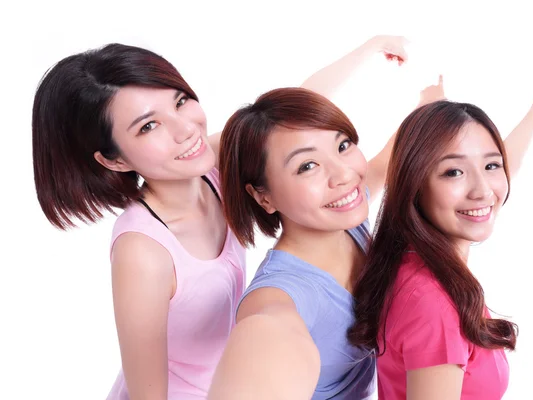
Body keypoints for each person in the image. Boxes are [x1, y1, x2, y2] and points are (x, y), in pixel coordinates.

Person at [31, 36, 409, 400]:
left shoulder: (210, 168)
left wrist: (369, 49)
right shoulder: (142, 250)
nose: (185, 130)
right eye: (149, 126)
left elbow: (286, 121)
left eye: (179, 102)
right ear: (115, 160)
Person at [347, 68, 533, 399]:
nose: (482, 190)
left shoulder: (412, 262)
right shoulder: (434, 303)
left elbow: (501, 173)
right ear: (414, 185)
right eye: (453, 172)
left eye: (491, 166)